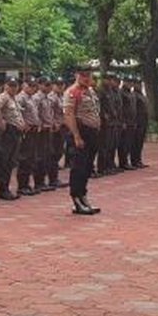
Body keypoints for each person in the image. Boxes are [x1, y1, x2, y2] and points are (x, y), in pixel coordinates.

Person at [63, 67, 102, 216]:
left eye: (89, 75)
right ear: (77, 75)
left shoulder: (90, 91)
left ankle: (83, 196)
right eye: (83, 75)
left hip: (92, 133)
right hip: (81, 132)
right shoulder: (72, 92)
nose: (86, 78)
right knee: (78, 167)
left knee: (87, 167)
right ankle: (76, 198)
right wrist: (76, 136)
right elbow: (69, 115)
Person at [0, 77, 22, 201]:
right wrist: (1, 122)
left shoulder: (14, 98)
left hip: (15, 132)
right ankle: (3, 189)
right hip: (7, 132)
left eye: (15, 85)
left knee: (10, 161)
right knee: (4, 161)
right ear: (6, 86)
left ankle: (6, 188)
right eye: (11, 85)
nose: (13, 88)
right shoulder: (3, 97)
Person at [14, 77, 41, 195]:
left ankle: (27, 184)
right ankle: (22, 185)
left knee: (31, 157)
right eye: (29, 85)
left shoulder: (32, 98)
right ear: (24, 85)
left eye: (34, 85)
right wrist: (23, 124)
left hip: (34, 130)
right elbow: (17, 113)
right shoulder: (20, 98)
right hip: (27, 131)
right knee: (24, 157)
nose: (32, 88)